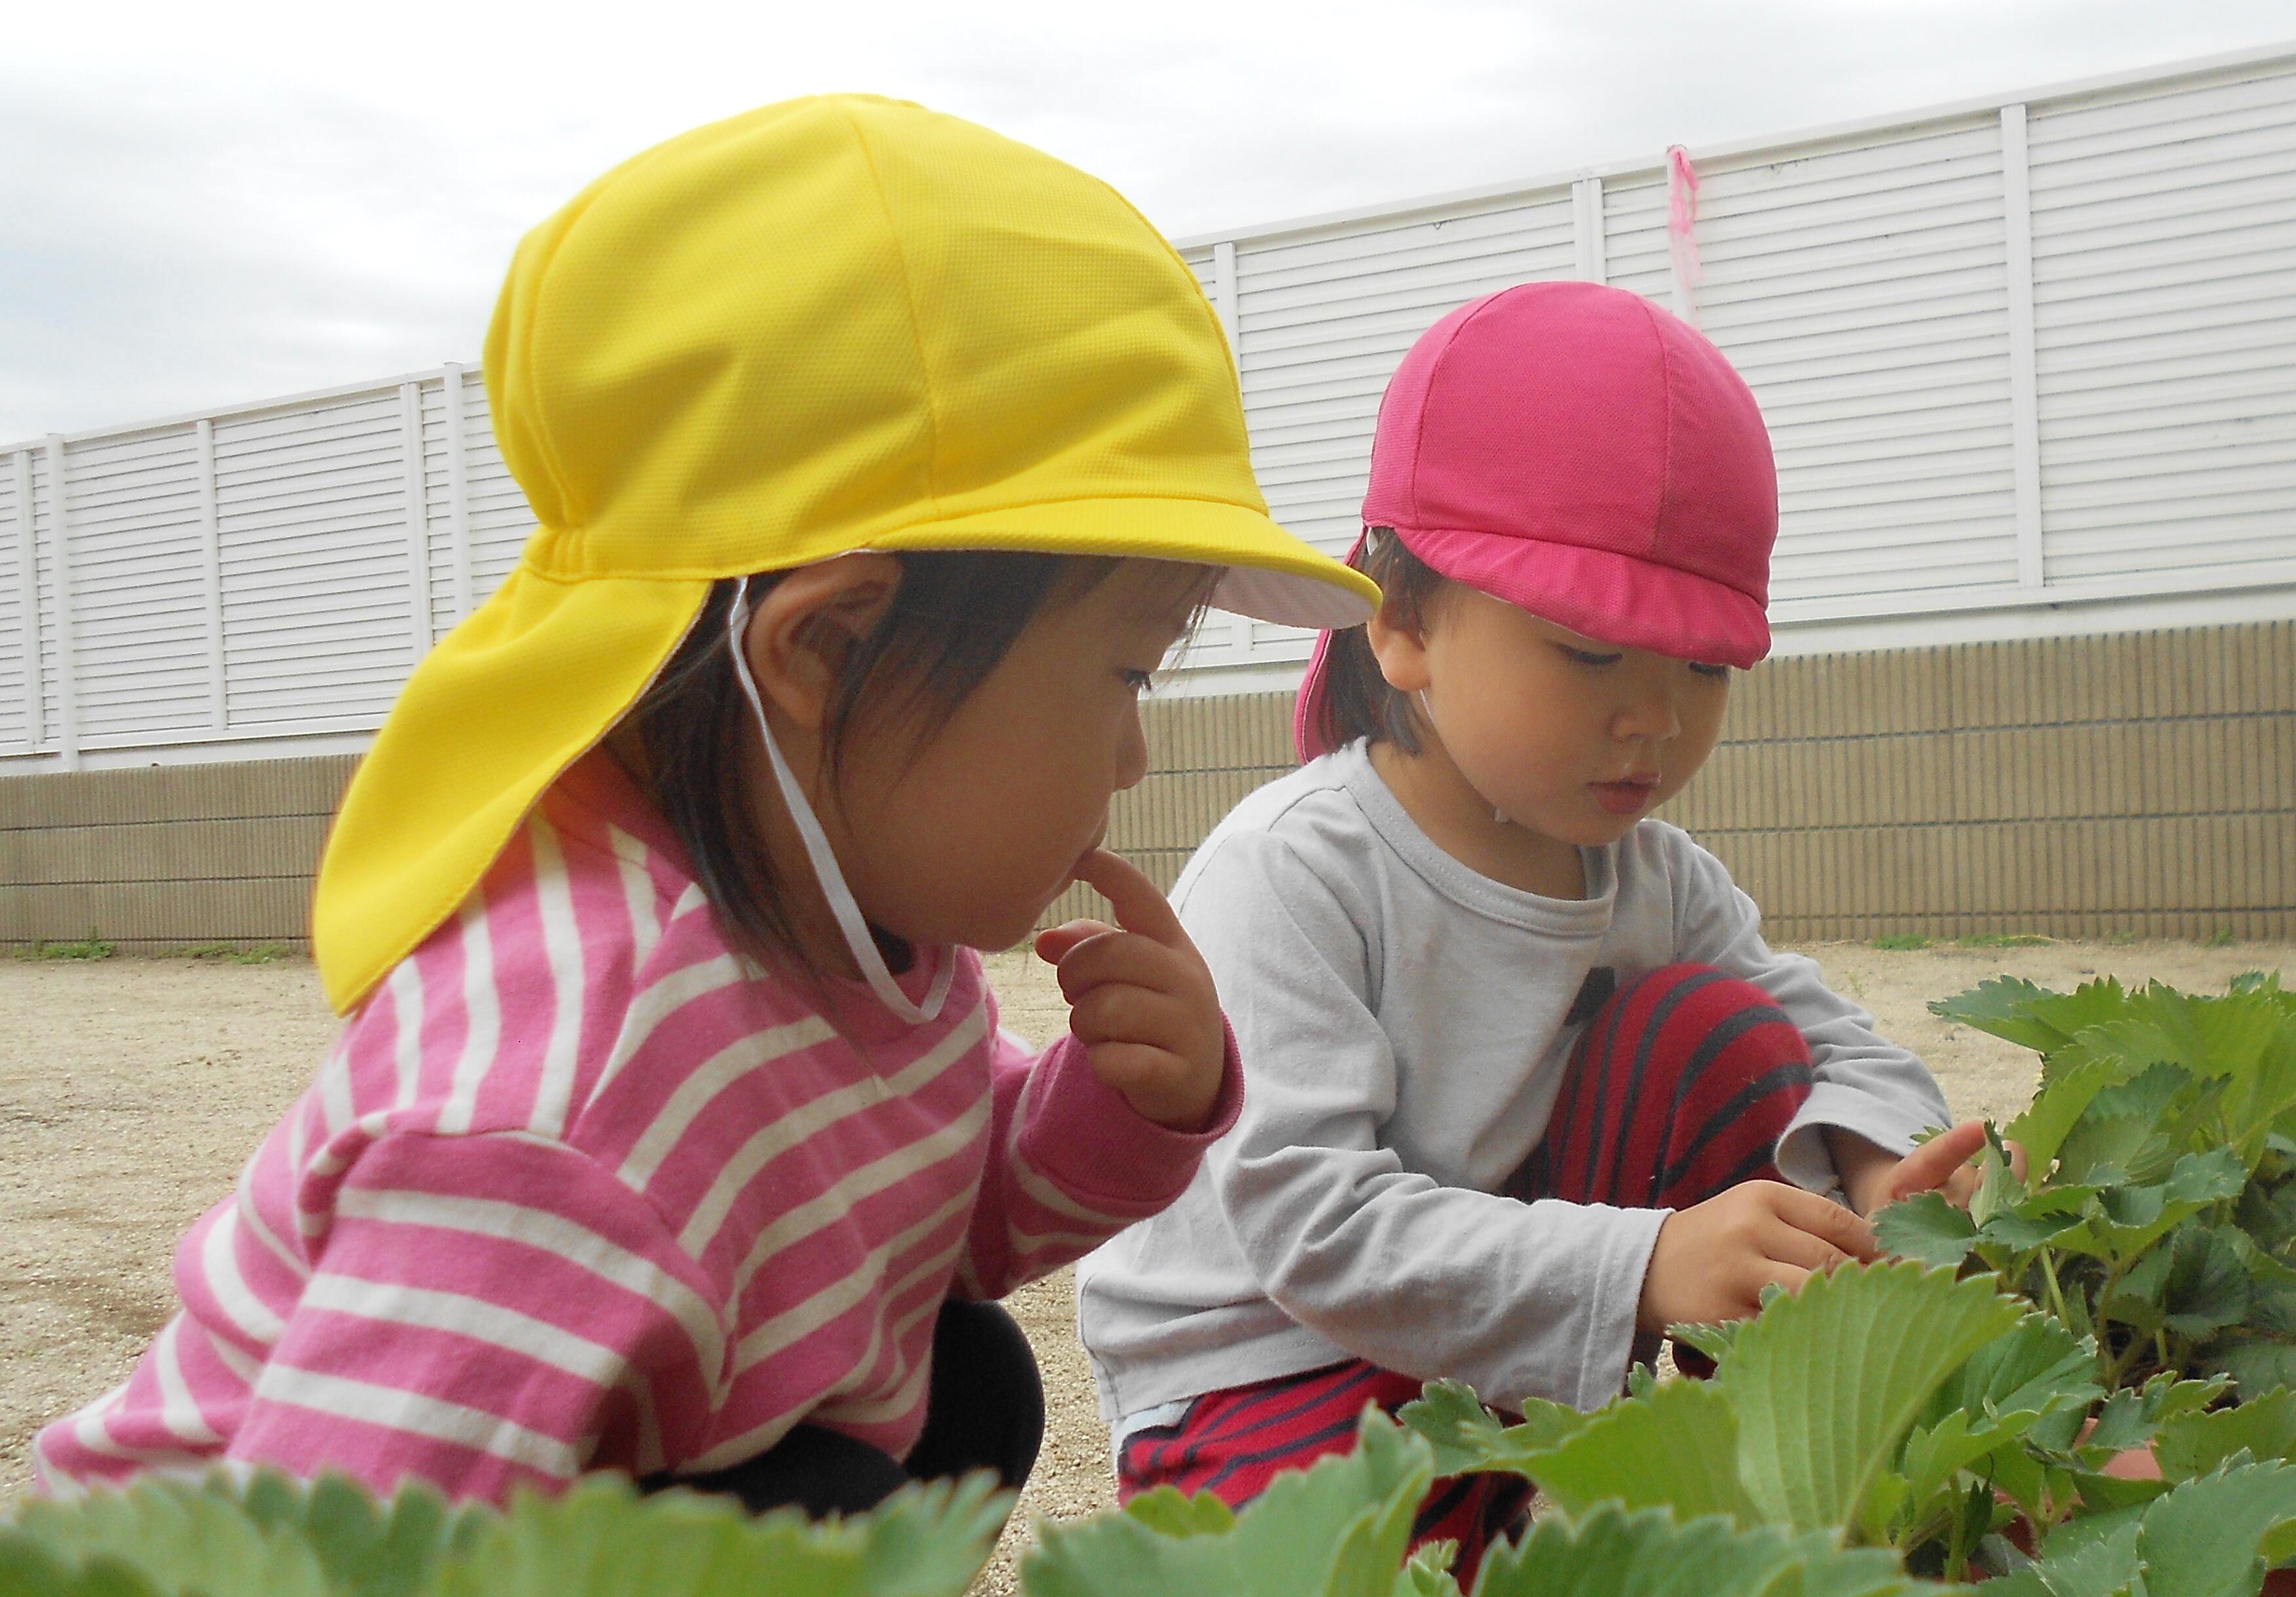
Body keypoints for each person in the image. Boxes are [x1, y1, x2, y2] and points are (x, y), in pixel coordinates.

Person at [33, 95, 1376, 1518]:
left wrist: (1111, 1111)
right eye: (1128, 668)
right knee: (853, 1466)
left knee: (960, 1380)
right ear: (826, 648)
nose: (1131, 758)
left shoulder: (843, 930)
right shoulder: (570, 1109)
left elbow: (922, 1227)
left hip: (591, 1524)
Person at [1076, 280, 1995, 1574]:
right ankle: (1552, 1548)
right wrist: (1647, 1263)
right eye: (1587, 653)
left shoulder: (1648, 877)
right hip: (1266, 1382)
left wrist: (1877, 1168)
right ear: (1399, 622)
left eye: (1704, 668)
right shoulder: (1297, 870)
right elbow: (1313, 1232)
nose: (1656, 720)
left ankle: (1715, 1476)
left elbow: (1825, 1038)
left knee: (1723, 1032)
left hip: (1503, 1364)